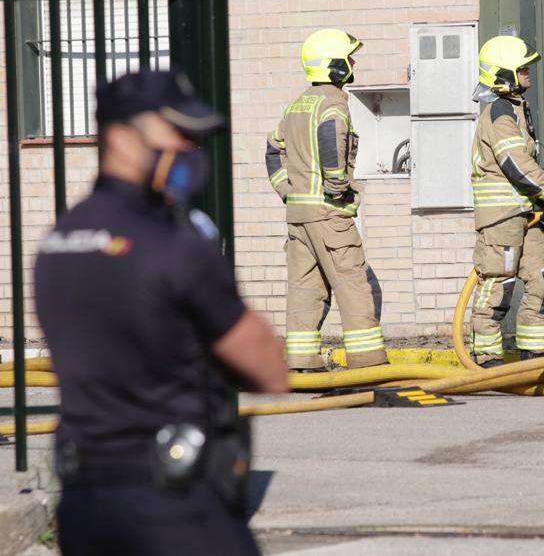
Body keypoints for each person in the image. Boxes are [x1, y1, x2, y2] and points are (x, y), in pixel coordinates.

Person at [35, 69, 289, 556]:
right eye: (177, 134)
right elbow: (269, 371)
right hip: (174, 505)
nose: (189, 150)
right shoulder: (176, 246)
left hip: (85, 507)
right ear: (121, 139)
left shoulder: (57, 243)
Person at [265, 29, 387, 371]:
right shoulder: (332, 103)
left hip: (299, 216)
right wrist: (337, 184)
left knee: (305, 287)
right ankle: (367, 361)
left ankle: (302, 360)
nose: (352, 63)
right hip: (328, 214)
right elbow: (331, 136)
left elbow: (273, 149)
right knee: (353, 284)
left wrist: (286, 192)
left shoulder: (296, 105)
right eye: (348, 58)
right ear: (334, 66)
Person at [469, 35, 544, 365]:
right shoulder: (499, 114)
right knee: (498, 286)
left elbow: (524, 174)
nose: (528, 72)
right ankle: (486, 357)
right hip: (501, 219)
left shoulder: (516, 110)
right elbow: (517, 167)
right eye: (522, 68)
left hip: (523, 215)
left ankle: (532, 351)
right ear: (503, 73)